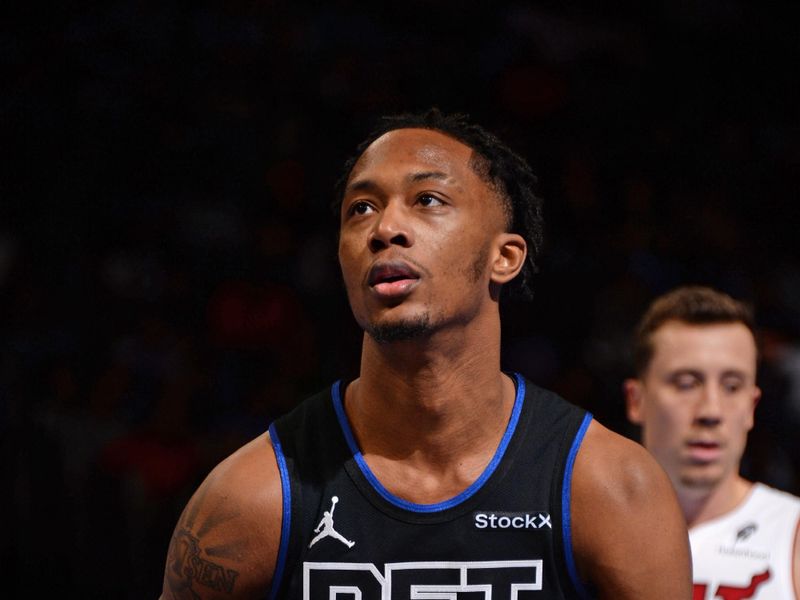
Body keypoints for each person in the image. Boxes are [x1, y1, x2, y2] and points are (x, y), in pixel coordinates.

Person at [160, 109, 691, 599]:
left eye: (428, 200)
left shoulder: (612, 487)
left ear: (503, 257)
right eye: (361, 209)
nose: (384, 229)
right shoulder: (252, 498)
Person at [624, 286, 800, 599]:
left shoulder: (792, 535)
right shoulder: (584, 535)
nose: (711, 411)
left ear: (752, 406)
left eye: (732, 386)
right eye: (687, 384)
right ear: (636, 400)